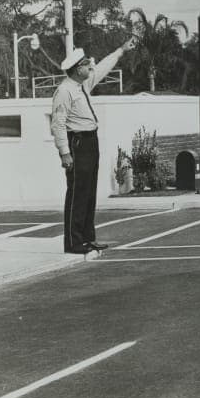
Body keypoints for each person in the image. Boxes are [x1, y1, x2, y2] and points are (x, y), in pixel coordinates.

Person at [51, 39, 134, 259]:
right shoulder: (65, 91)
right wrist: (64, 152)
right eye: (87, 64)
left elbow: (104, 68)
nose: (91, 67)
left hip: (90, 141)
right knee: (78, 192)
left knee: (88, 193)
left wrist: (120, 50)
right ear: (78, 68)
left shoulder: (82, 85)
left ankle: (87, 237)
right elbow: (58, 123)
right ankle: (74, 241)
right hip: (77, 143)